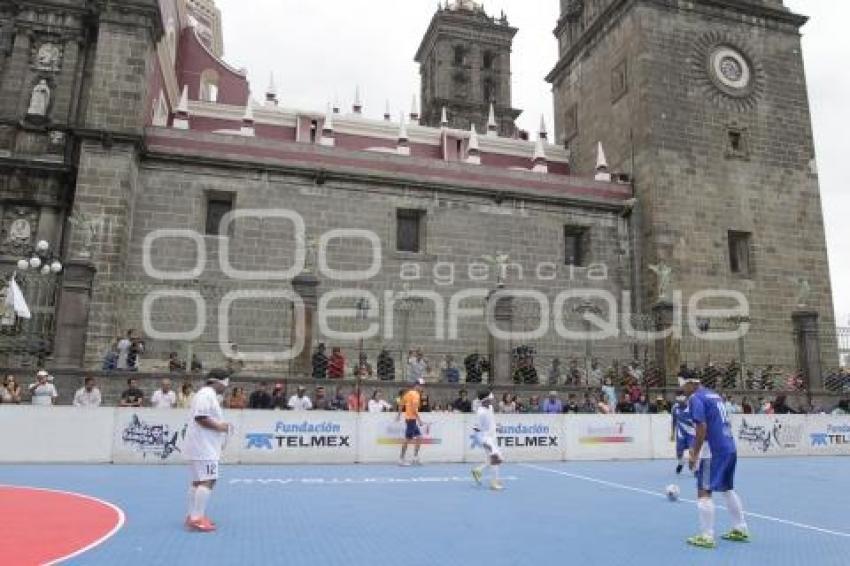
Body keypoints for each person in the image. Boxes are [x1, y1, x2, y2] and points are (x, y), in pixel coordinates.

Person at [682, 376, 749, 549]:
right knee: (727, 489)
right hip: (728, 446)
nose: (682, 390)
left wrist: (694, 454)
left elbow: (702, 427)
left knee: (704, 491)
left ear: (691, 384)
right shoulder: (714, 395)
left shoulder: (696, 398)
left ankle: (706, 536)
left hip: (712, 451)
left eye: (683, 385)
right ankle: (740, 528)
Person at [184, 370, 232, 532]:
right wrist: (221, 427)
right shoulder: (206, 395)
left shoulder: (205, 394)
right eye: (225, 383)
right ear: (219, 382)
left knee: (198, 480)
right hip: (204, 446)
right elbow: (201, 417)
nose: (226, 387)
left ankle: (192, 515)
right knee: (209, 479)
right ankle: (197, 518)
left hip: (200, 444)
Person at [471, 392, 505, 491]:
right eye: (490, 398)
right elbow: (477, 429)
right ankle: (494, 483)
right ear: (484, 400)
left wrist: (497, 427)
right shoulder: (480, 413)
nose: (492, 400)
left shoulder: (490, 407)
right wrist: (484, 442)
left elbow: (492, 422)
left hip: (493, 437)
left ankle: (477, 470)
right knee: (496, 458)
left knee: (493, 460)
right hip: (486, 438)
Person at [397, 379, 425, 466]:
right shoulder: (416, 395)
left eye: (422, 385)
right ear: (416, 385)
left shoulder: (408, 393)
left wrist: (399, 415)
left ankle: (415, 457)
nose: (422, 387)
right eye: (420, 385)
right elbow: (414, 409)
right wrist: (419, 420)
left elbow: (401, 403)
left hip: (410, 419)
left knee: (419, 437)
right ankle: (401, 459)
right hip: (411, 419)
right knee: (407, 439)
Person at [671, 392, 695, 475]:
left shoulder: (692, 407)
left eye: (682, 400)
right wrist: (672, 433)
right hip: (680, 434)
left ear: (686, 399)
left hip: (691, 434)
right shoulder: (675, 408)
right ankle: (681, 462)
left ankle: (693, 469)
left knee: (692, 451)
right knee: (679, 453)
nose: (680, 402)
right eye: (678, 400)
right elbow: (674, 421)